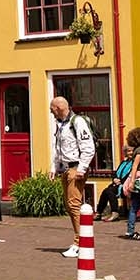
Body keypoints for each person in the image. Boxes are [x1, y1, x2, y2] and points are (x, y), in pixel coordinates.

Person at [50, 97, 95, 258]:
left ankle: (80, 243)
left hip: (76, 168)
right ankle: (79, 240)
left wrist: (81, 169)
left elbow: (89, 148)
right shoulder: (61, 125)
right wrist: (54, 167)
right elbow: (58, 148)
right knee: (70, 206)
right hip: (66, 169)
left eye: (52, 109)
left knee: (74, 205)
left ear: (59, 108)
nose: (51, 112)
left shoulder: (78, 122)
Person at [98, 146, 135, 222]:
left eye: (132, 151)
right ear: (126, 153)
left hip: (126, 186)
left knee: (109, 191)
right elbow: (116, 173)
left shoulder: (135, 163)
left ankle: (115, 212)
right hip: (117, 184)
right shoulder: (123, 162)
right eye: (128, 151)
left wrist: (120, 181)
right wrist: (114, 179)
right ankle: (99, 212)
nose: (131, 153)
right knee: (106, 191)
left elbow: (130, 175)